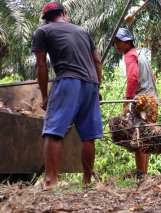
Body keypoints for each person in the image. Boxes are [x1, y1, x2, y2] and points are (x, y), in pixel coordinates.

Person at [31, 2, 103, 190]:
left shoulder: (43, 31)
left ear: (45, 19)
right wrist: (97, 88)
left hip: (68, 81)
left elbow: (41, 64)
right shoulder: (83, 31)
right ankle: (87, 182)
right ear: (64, 13)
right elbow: (97, 61)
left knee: (53, 131)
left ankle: (50, 181)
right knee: (88, 136)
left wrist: (45, 96)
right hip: (91, 83)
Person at [113, 28, 158, 179]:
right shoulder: (141, 55)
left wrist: (126, 103)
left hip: (141, 102)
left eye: (119, 42)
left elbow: (132, 79)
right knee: (147, 137)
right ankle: (144, 173)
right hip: (152, 100)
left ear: (127, 42)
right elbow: (153, 77)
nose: (116, 45)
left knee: (138, 138)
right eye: (115, 42)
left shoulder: (129, 56)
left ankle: (140, 175)